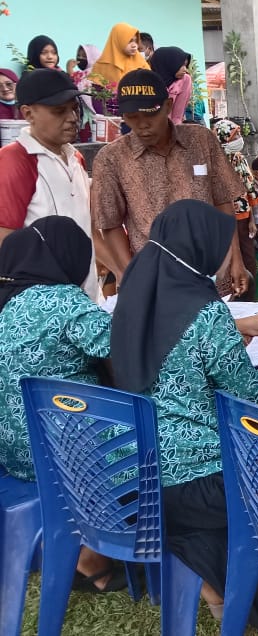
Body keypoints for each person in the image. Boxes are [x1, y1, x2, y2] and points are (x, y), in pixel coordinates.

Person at [109, 200, 258, 633]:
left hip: (138, 480)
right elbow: (247, 393)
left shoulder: (133, 297)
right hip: (206, 484)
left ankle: (214, 588)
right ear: (198, 247)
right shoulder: (206, 313)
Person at [0, 217, 126, 592]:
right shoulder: (63, 301)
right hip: (75, 454)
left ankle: (79, 547)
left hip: (18, 453)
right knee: (169, 433)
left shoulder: (7, 304)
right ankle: (101, 550)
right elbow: (127, 348)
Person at [91, 69, 248, 294]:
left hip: (212, 273)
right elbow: (110, 224)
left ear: (167, 106)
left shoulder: (201, 140)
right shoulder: (111, 159)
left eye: (150, 114)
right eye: (132, 117)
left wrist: (236, 259)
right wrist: (131, 275)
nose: (142, 124)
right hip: (155, 280)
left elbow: (223, 202)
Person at [0, 69, 99, 296]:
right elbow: (4, 240)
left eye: (74, 108)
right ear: (28, 113)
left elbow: (88, 227)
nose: (72, 118)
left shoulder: (76, 157)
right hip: (40, 301)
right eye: (59, 111)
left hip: (83, 295)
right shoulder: (14, 161)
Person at [211, 118, 258, 286]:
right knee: (228, 257)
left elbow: (249, 188)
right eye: (234, 136)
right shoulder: (214, 162)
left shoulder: (240, 159)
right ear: (223, 138)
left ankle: (250, 292)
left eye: (239, 134)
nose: (239, 139)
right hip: (223, 218)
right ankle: (231, 292)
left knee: (248, 255)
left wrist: (252, 219)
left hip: (243, 218)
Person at [89, 22, 150, 87]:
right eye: (129, 41)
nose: (134, 45)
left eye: (136, 41)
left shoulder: (140, 61)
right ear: (117, 41)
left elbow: (151, 82)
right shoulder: (101, 66)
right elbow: (95, 90)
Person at [148, 46, 193, 125]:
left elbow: (177, 116)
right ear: (168, 64)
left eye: (186, 66)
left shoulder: (184, 80)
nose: (185, 69)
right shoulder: (147, 82)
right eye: (181, 65)